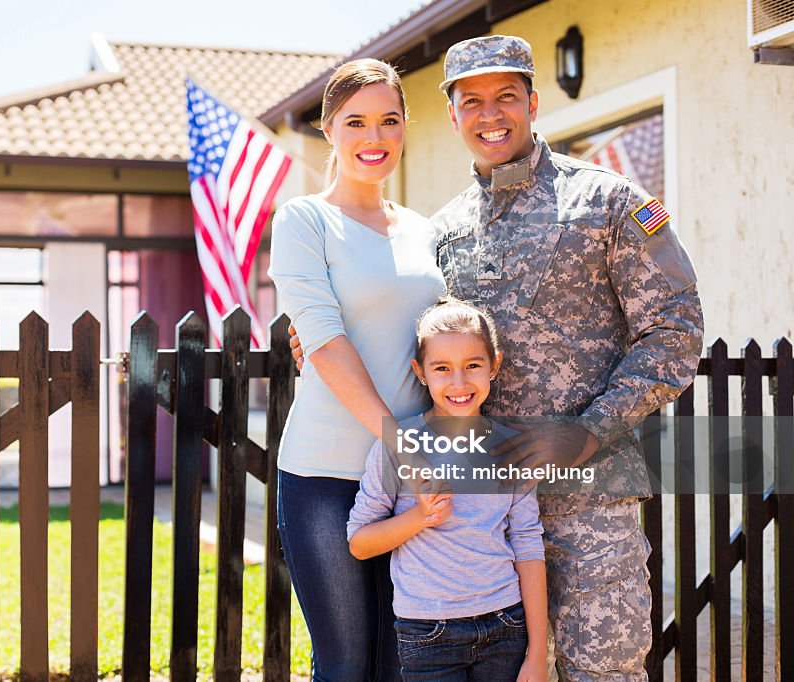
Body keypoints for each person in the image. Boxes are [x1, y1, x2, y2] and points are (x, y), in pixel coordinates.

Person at [290, 36, 704, 681]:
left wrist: (587, 433)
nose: (491, 115)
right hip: (477, 515)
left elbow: (675, 331)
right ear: (452, 117)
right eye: (472, 101)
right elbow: (412, 331)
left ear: (534, 102)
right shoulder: (442, 230)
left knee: (607, 670)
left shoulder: (609, 201)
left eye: (506, 97)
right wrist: (310, 338)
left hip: (588, 496)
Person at [268, 58, 446, 680]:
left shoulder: (426, 232)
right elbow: (323, 341)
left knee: (405, 661)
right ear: (328, 130)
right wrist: (400, 443)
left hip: (411, 480)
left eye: (389, 121)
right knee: (345, 663)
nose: (375, 138)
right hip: (325, 474)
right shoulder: (303, 221)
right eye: (357, 123)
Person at [347, 297, 548, 681]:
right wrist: (419, 518)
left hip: (506, 625)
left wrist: (537, 653)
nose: (459, 382)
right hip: (427, 632)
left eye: (473, 365)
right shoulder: (397, 446)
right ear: (419, 372)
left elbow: (527, 542)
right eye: (442, 368)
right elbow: (359, 542)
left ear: (495, 365)